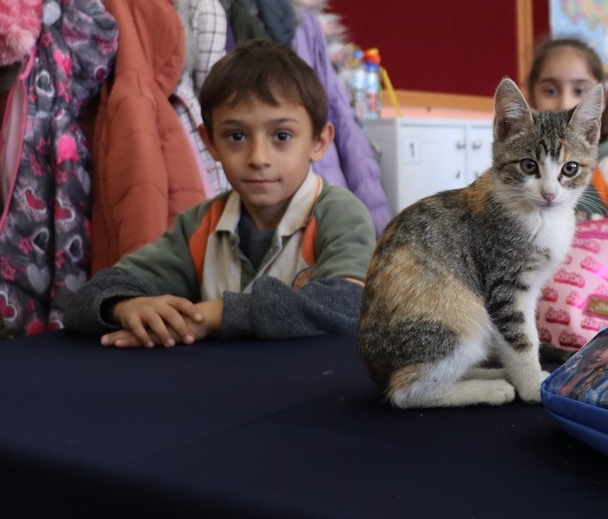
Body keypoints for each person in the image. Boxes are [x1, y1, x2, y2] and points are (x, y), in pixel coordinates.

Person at [63, 39, 377, 348]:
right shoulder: (199, 225)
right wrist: (127, 307)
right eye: (236, 136)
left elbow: (349, 304)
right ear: (210, 141)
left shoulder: (340, 214)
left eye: (282, 135)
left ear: (319, 142)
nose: (258, 158)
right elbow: (89, 297)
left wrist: (215, 314)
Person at [526, 37, 608, 219]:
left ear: (600, 102)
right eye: (551, 91)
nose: (565, 104)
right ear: (531, 97)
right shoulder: (518, 169)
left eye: (580, 91)